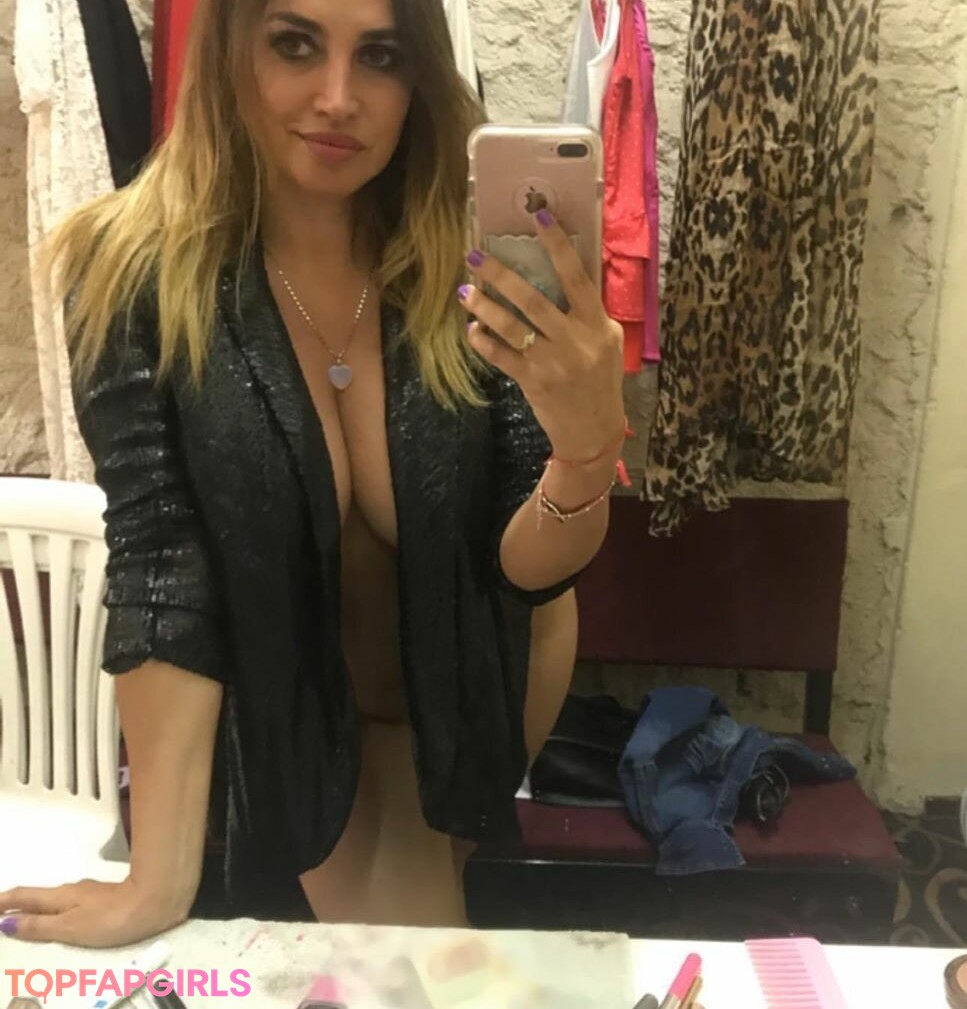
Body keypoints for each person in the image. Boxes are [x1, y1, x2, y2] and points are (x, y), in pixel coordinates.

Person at [0, 0, 623, 948]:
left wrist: (582, 456)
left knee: (426, 965)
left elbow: (530, 569)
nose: (338, 97)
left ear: (417, 77)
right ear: (229, 49)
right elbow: (162, 570)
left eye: (380, 56)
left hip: (478, 708)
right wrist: (154, 877)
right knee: (399, 973)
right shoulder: (134, 273)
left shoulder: (468, 264)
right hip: (284, 727)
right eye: (295, 45)